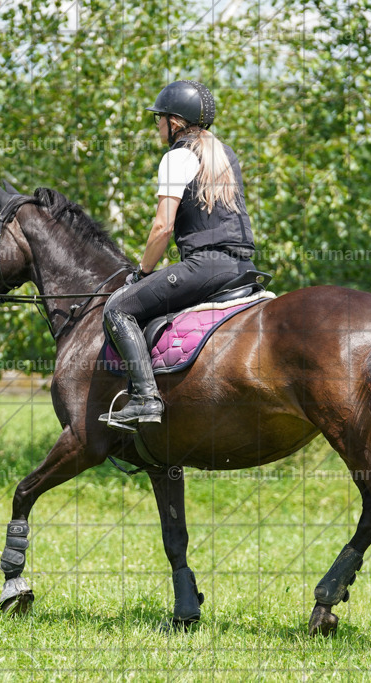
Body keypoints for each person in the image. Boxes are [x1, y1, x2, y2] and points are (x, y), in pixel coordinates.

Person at [99, 80, 257, 433]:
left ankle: (145, 398)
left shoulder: (178, 156)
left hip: (206, 267)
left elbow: (162, 228)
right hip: (242, 266)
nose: (157, 125)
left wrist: (142, 272)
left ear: (174, 122)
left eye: (159, 118)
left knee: (119, 308)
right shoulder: (223, 153)